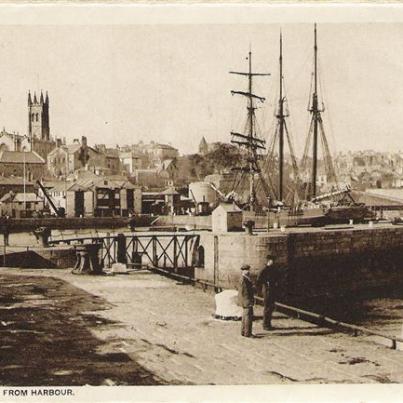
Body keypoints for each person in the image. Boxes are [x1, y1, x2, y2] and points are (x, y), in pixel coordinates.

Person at [256, 254, 278, 330]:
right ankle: (265, 325)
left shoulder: (272, 269)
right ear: (269, 261)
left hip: (272, 291)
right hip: (267, 291)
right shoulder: (264, 269)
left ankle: (268, 324)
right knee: (267, 308)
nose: (273, 262)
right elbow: (259, 280)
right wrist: (266, 283)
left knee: (271, 308)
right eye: (272, 261)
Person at [238, 264, 255, 337]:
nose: (248, 271)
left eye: (248, 270)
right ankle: (247, 333)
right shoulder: (244, 279)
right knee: (248, 317)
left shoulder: (244, 278)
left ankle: (243, 331)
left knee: (245, 316)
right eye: (247, 270)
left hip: (245, 300)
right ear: (243, 271)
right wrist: (249, 301)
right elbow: (245, 292)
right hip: (247, 300)